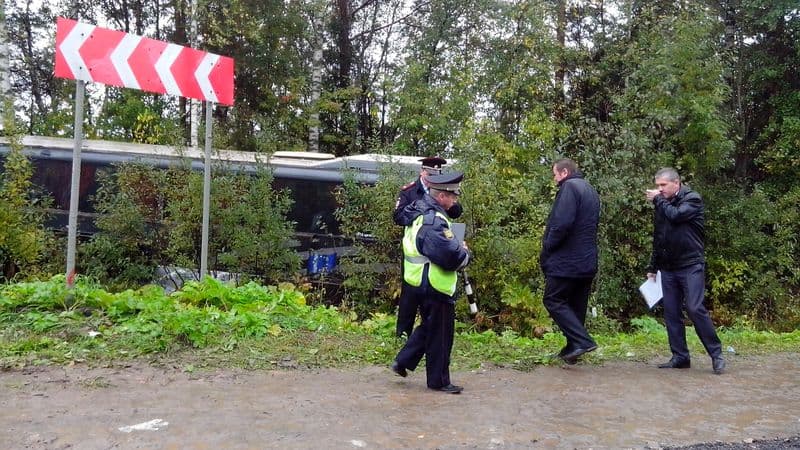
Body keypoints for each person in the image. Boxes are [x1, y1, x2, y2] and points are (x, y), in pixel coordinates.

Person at [390, 172, 471, 393]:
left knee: (430, 327)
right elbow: (449, 256)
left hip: (420, 281)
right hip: (435, 283)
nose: (455, 201)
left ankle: (403, 361)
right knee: (441, 335)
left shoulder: (418, 211)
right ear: (442, 196)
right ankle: (439, 381)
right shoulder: (434, 219)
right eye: (452, 196)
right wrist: (464, 252)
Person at [645, 168, 725, 375]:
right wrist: (653, 267)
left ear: (676, 183)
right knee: (671, 312)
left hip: (690, 265)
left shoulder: (692, 199)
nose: (659, 190)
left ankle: (716, 354)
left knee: (694, 307)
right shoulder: (662, 204)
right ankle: (680, 357)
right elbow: (659, 237)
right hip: (668, 267)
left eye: (663, 185)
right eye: (658, 186)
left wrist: (658, 201)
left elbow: (676, 216)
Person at [393, 156, 462, 338]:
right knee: (409, 296)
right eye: (430, 172)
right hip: (416, 251)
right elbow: (398, 217)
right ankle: (403, 334)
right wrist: (419, 209)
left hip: (437, 249)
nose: (433, 176)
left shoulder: (443, 190)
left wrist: (445, 205)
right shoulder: (409, 191)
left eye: (437, 173)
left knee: (432, 298)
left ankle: (427, 332)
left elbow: (456, 211)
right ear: (422, 171)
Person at [540, 158, 600, 364]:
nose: (554, 178)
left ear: (564, 172)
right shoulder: (590, 189)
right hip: (587, 260)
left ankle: (582, 341)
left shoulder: (569, 188)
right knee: (576, 304)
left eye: (555, 174)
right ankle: (573, 349)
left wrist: (548, 246)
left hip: (567, 260)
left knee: (553, 299)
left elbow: (561, 223)